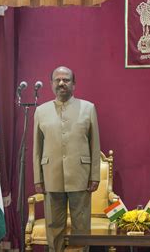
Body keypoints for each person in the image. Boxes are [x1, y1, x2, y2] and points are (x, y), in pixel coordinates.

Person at [33, 66, 101, 251]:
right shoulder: (41, 111)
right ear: (51, 84)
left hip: (81, 175)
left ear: (74, 84)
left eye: (66, 80)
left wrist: (95, 175)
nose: (62, 83)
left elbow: (95, 145)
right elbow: (37, 149)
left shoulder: (88, 108)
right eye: (58, 80)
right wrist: (38, 178)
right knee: (54, 226)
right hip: (51, 175)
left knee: (81, 226)